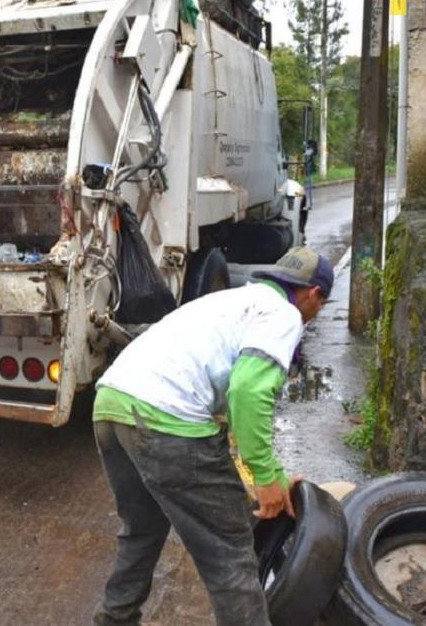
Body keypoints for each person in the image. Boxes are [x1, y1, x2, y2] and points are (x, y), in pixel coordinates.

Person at [92, 246, 333, 626]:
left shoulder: (233, 301)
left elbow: (230, 418)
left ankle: (114, 620)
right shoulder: (284, 314)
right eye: (321, 305)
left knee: (142, 531)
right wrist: (267, 476)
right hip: (165, 418)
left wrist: (268, 478)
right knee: (231, 553)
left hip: (112, 406)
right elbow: (249, 392)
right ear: (314, 294)